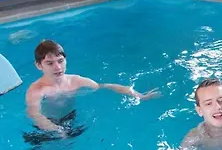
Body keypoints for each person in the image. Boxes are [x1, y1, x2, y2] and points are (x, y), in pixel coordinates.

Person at [25, 40, 160, 137]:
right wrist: (56, 130)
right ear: (39, 65)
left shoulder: (76, 81)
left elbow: (105, 86)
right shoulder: (37, 90)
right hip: (46, 126)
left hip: (70, 118)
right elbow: (34, 114)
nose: (58, 67)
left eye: (60, 61)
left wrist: (139, 95)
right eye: (50, 63)